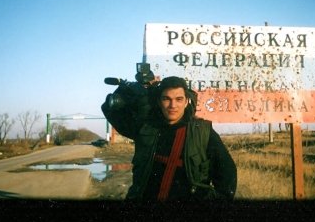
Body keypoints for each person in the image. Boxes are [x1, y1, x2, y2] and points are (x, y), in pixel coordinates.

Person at [101, 75, 237, 201]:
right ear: (159, 102)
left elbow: (227, 174)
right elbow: (110, 109)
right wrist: (129, 88)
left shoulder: (202, 131)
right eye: (166, 99)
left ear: (186, 102)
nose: (173, 106)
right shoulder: (146, 128)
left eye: (179, 99)